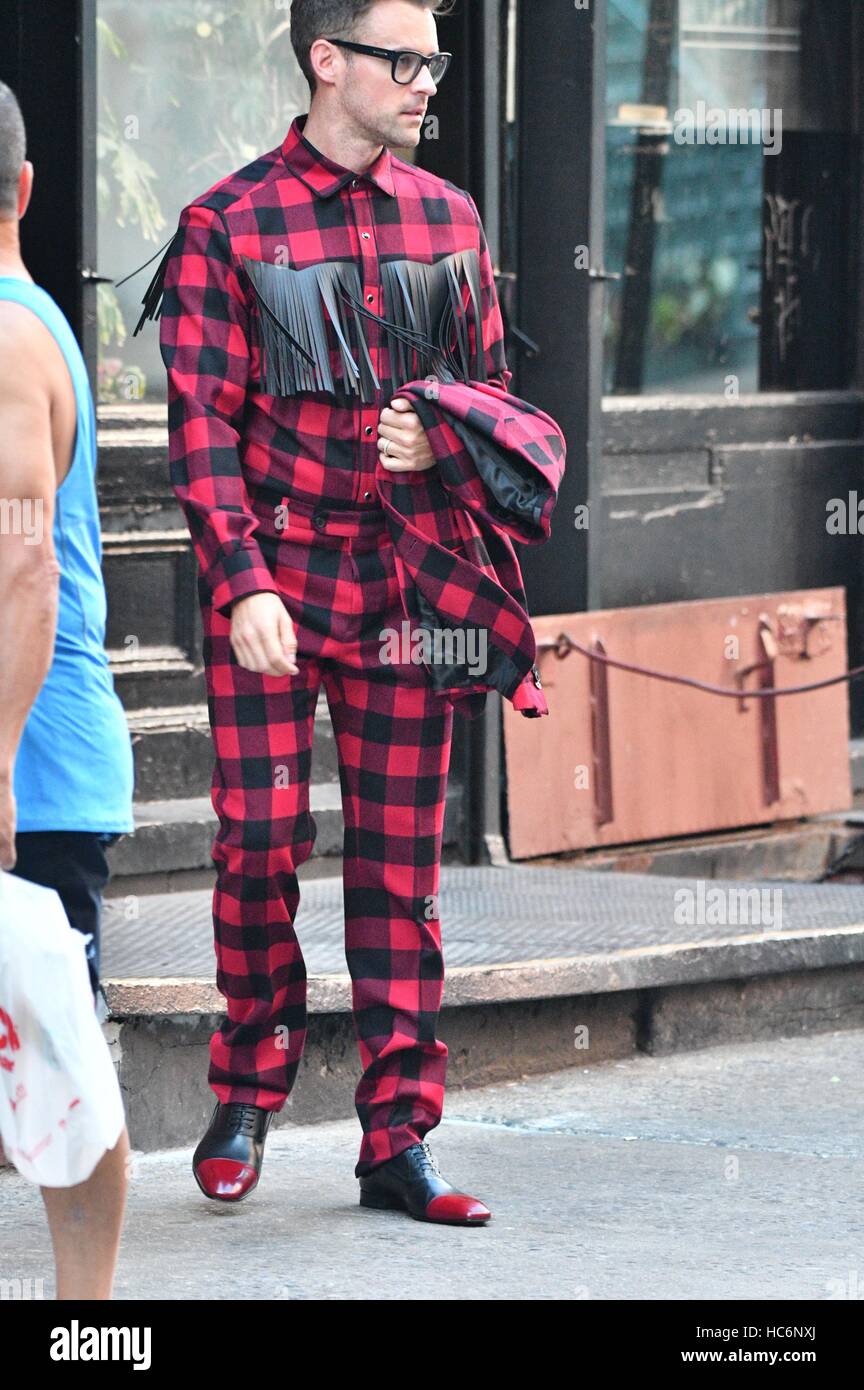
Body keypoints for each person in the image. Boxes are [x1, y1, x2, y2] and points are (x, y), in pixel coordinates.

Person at [153, 0, 517, 1225]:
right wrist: (239, 576)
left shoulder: (449, 218)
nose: (426, 83)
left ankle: (397, 1139)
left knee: (401, 862)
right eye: (403, 59)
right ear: (326, 60)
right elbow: (199, 427)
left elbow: (493, 398)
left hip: (409, 576)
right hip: (278, 571)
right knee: (257, 837)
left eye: (433, 60)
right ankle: (248, 1088)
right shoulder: (227, 222)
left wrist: (447, 436)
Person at [0, 80, 134, 1295]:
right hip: (38, 767)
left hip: (27, 776)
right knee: (51, 1066)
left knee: (59, 1074)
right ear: (26, 188)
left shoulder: (2, 333)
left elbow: (21, 555)